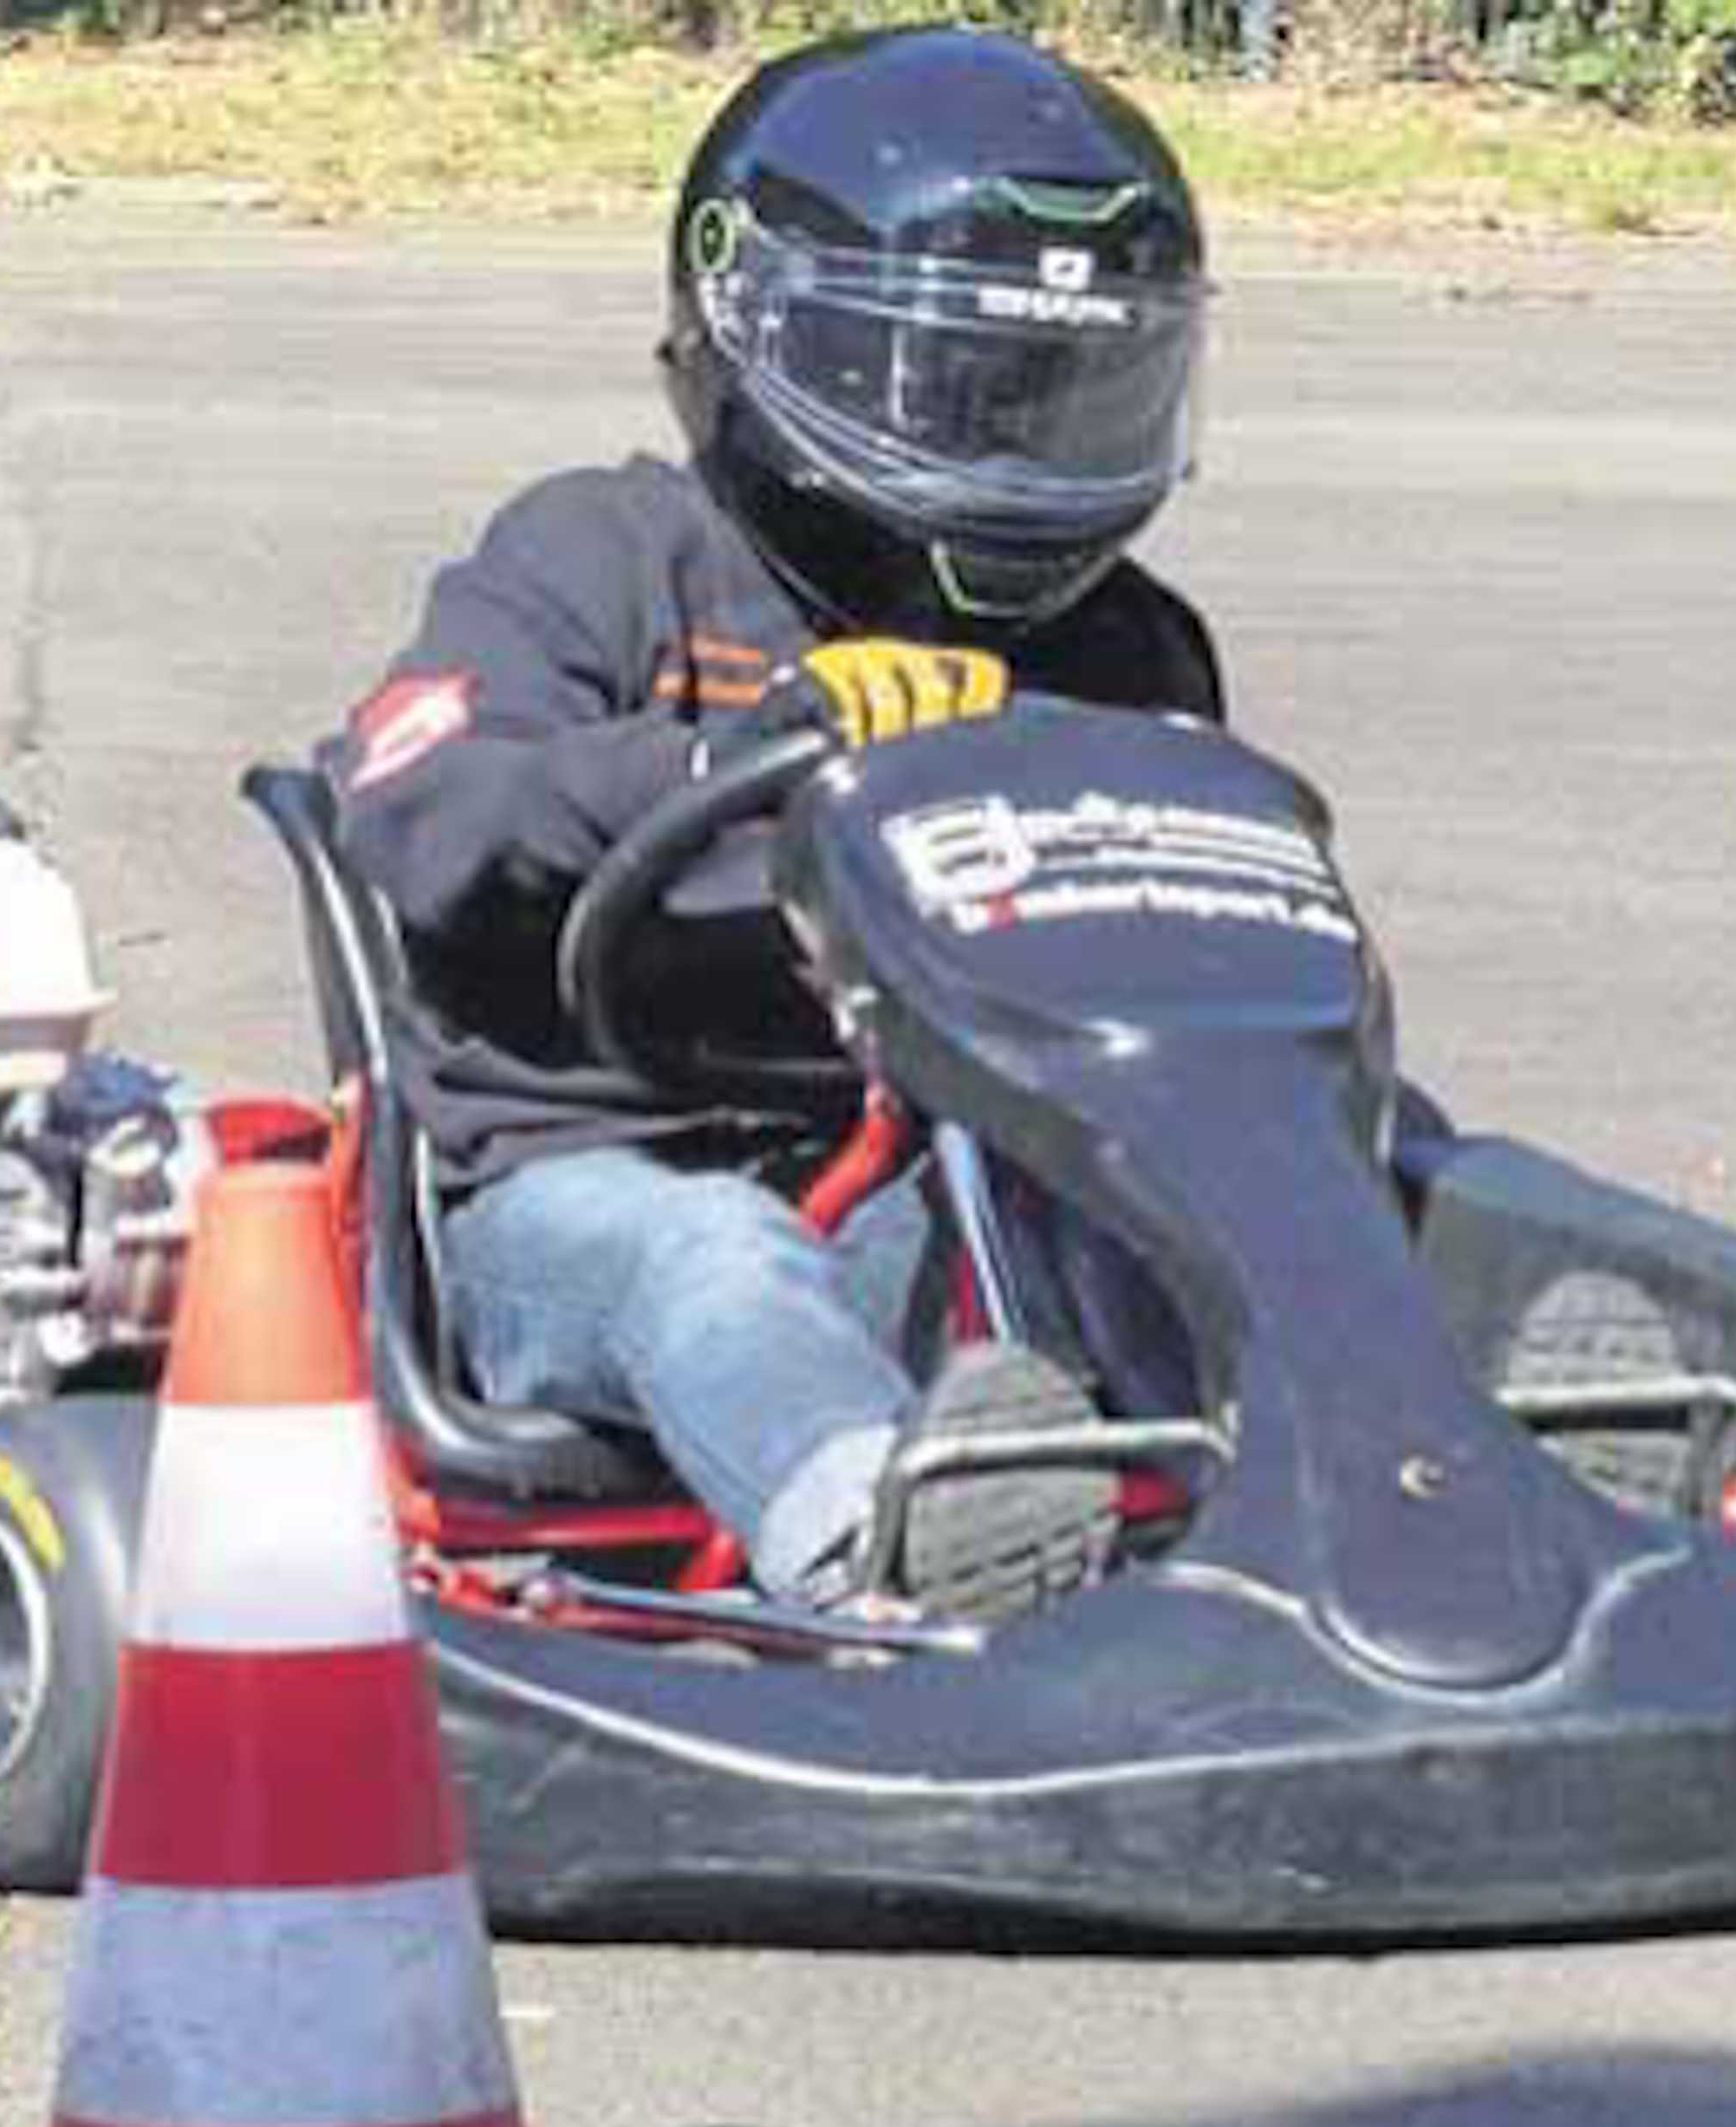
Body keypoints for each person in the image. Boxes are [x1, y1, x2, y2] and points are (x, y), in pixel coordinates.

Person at [316, 26, 1225, 1618]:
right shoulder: (599, 555)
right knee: (719, 1259)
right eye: (960, 384)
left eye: (1064, 393)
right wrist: (735, 762)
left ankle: (1484, 1485)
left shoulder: (1125, 645)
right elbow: (410, 806)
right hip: (576, 1201)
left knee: (1280, 1178)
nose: (1014, 437)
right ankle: (892, 1574)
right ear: (761, 330)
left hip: (923, 1185)